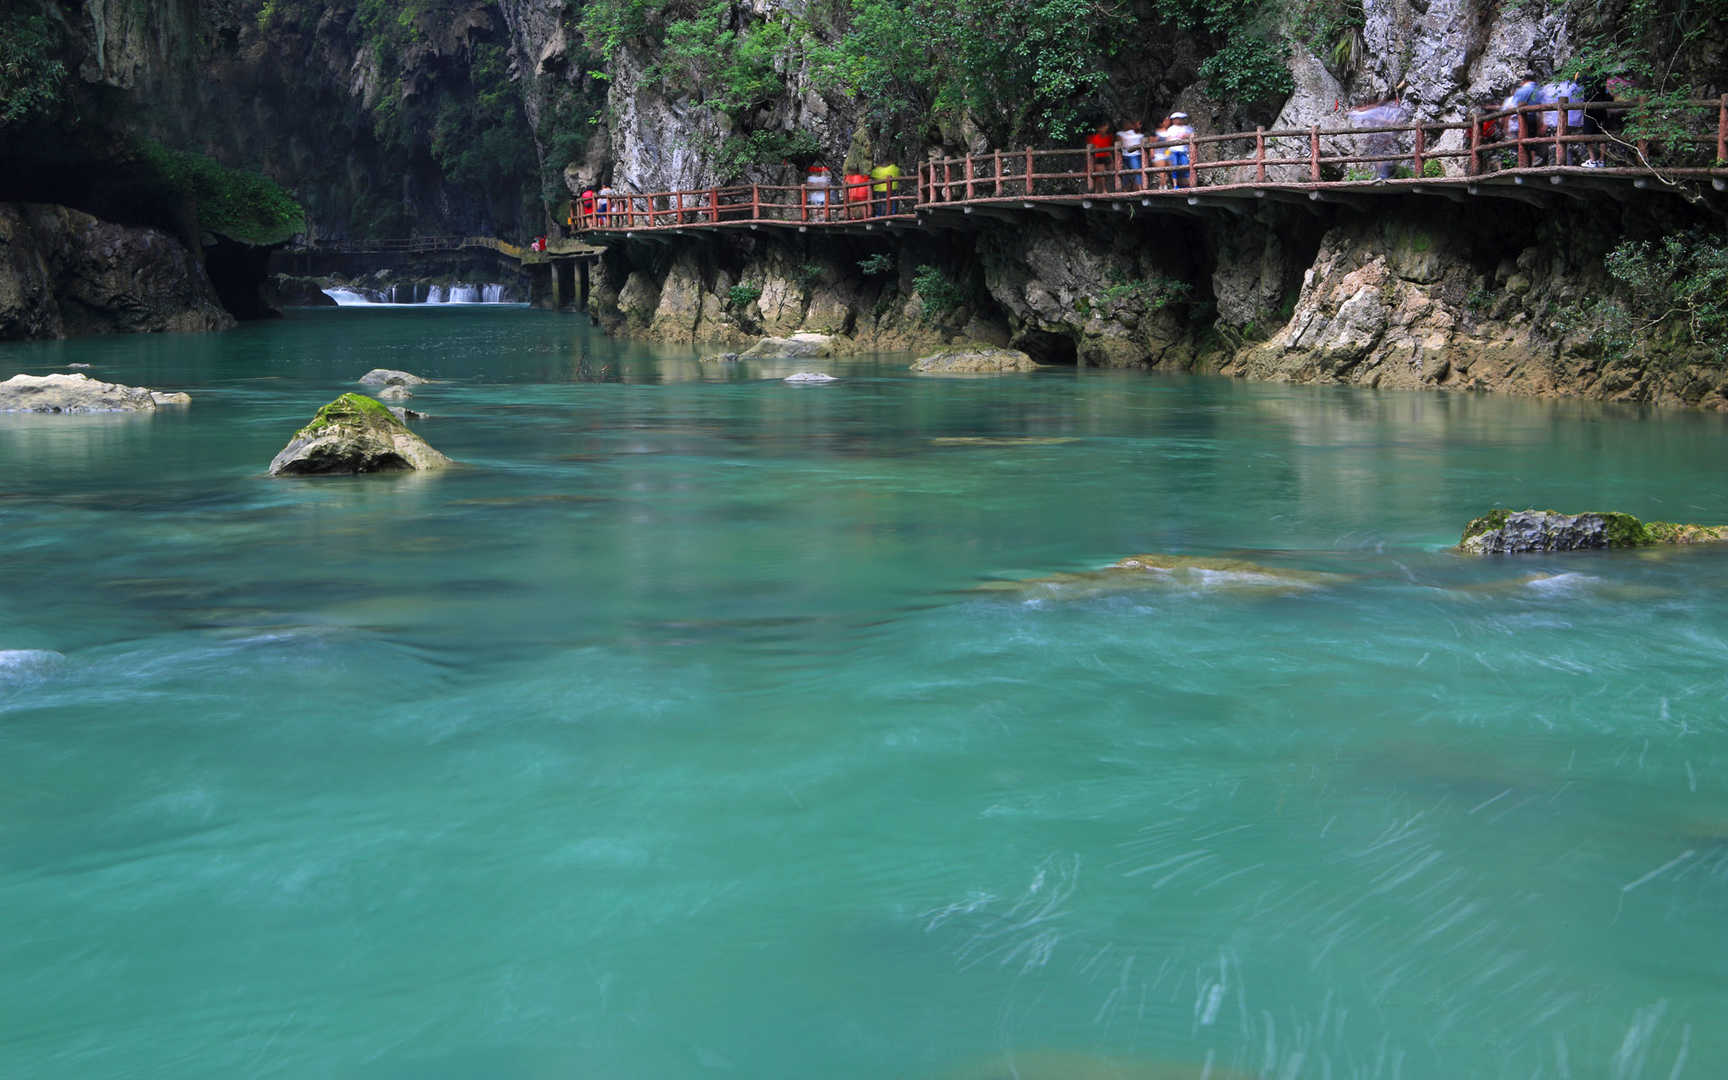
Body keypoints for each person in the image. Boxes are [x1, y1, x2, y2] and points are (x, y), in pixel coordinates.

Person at [1164, 112, 1194, 189]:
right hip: (1173, 150)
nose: (1178, 120)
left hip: (1183, 150)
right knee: (1174, 167)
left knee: (1186, 167)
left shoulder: (1187, 128)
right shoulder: (1170, 129)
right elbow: (1167, 139)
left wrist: (1186, 136)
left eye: (1179, 119)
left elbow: (1193, 135)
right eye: (1176, 119)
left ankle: (1189, 184)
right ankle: (1175, 185)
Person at [1116, 121, 1146, 191]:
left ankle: (1140, 188)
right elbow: (1121, 143)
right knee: (1125, 173)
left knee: (1136, 171)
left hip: (1135, 155)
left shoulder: (1140, 135)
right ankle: (1125, 189)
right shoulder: (1120, 133)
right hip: (1124, 155)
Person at [1085, 122, 1114, 193]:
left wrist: (1112, 160)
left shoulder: (1109, 137)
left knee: (1107, 174)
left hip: (1107, 157)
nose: (1105, 128)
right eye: (1103, 127)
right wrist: (1089, 161)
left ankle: (1098, 190)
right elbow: (1090, 150)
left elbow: (1109, 148)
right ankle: (1103, 190)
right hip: (1098, 158)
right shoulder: (1093, 138)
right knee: (1101, 175)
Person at [1151, 116, 1173, 189]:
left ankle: (1168, 185)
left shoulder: (1170, 131)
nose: (1168, 122)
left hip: (1167, 153)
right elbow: (1151, 144)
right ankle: (1162, 186)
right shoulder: (1155, 132)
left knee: (1170, 170)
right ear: (1161, 123)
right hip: (1158, 154)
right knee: (1162, 171)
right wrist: (1152, 153)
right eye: (1166, 120)